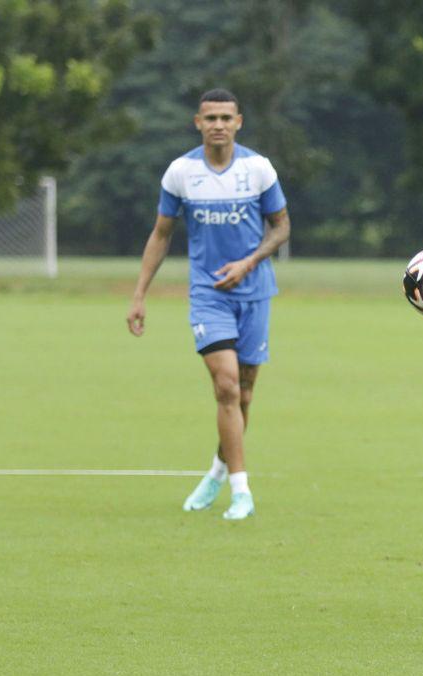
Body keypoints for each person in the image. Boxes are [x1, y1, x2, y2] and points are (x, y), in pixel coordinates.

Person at [127, 88, 291, 519]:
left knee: (245, 393)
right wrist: (140, 293)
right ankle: (242, 491)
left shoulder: (258, 169)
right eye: (210, 118)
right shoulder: (181, 173)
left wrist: (250, 261)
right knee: (226, 386)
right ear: (197, 123)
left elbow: (281, 227)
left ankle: (219, 470)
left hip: (254, 292)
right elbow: (161, 234)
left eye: (225, 117)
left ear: (239, 122)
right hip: (207, 295)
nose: (218, 124)